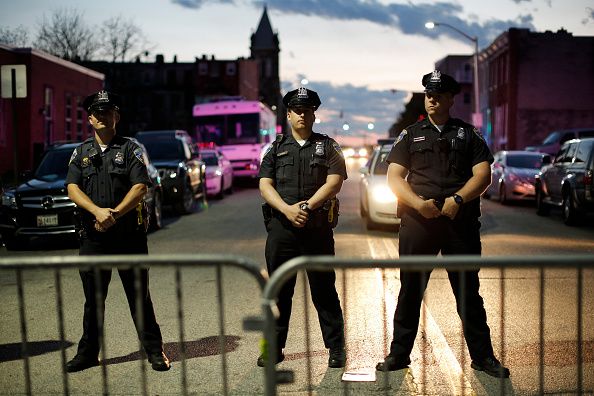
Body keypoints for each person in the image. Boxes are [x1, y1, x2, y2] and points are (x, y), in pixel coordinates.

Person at [376, 71, 510, 378]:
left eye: (438, 94)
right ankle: (398, 356)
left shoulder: (468, 134)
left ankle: (483, 358)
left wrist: (458, 200)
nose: (432, 98)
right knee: (410, 291)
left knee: (468, 293)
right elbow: (394, 177)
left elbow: (482, 175)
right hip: (418, 221)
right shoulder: (410, 134)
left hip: (458, 222)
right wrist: (417, 203)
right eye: (428, 94)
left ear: (451, 99)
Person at [64, 90, 170, 373]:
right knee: (93, 301)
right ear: (89, 119)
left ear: (116, 116)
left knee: (139, 297)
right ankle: (88, 354)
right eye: (97, 113)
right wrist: (97, 212)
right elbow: (72, 187)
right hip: (93, 236)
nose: (102, 116)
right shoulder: (81, 152)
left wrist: (115, 214)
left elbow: (140, 187)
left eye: (107, 112)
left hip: (128, 236)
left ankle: (155, 351)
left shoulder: (130, 150)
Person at [257, 87, 347, 368]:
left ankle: (336, 348)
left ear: (313, 114)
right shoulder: (275, 147)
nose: (302, 115)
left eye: (307, 110)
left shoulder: (328, 146)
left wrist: (307, 207)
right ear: (288, 114)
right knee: (277, 293)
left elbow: (335, 182)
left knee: (324, 291)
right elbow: (264, 184)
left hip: (316, 228)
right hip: (282, 229)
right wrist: (286, 209)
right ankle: (272, 348)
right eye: (297, 110)